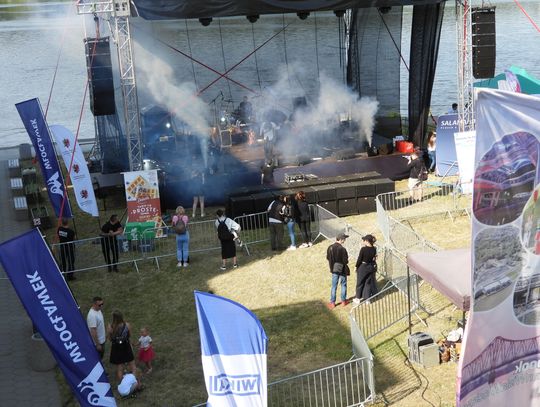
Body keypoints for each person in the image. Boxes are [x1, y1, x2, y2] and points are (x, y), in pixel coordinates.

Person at [108, 310, 137, 381]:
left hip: (116, 348)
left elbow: (110, 339)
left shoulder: (110, 327)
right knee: (132, 365)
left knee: (120, 368)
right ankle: (133, 381)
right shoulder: (127, 325)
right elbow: (129, 336)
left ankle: (122, 383)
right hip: (126, 346)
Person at [326, 232, 350, 309]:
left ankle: (332, 303)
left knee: (334, 286)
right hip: (342, 270)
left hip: (334, 270)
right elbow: (346, 261)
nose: (345, 240)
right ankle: (343, 301)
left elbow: (328, 257)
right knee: (343, 285)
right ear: (341, 239)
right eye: (344, 239)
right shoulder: (342, 249)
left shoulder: (330, 247)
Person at [353, 235, 378, 304]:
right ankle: (367, 299)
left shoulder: (363, 249)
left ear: (367, 241)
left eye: (364, 240)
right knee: (368, 283)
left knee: (360, 282)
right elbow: (374, 258)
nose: (363, 241)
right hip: (370, 267)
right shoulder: (374, 249)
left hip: (363, 267)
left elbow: (359, 259)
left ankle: (358, 298)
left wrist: (356, 266)